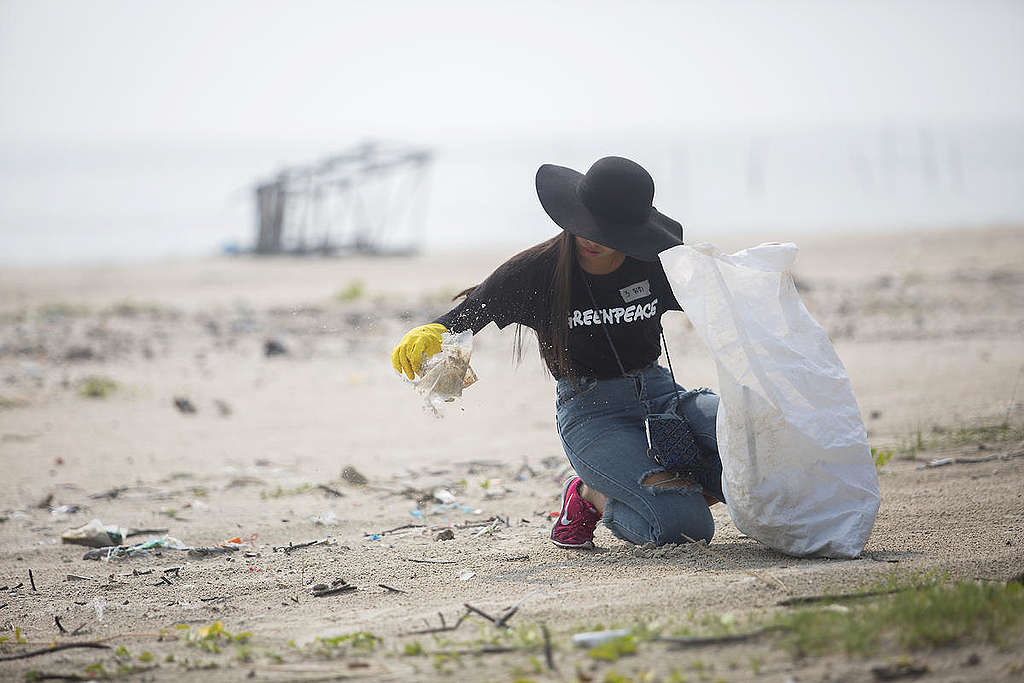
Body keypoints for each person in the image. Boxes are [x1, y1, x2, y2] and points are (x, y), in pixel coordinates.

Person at [391, 156, 721, 549]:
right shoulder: (536, 271)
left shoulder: (654, 264)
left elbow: (722, 306)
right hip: (593, 413)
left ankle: (667, 480)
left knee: (752, 439)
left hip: (663, 396)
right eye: (587, 225)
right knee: (687, 529)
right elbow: (468, 314)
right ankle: (589, 496)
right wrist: (433, 333)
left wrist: (754, 279)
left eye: (608, 231)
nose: (592, 238)